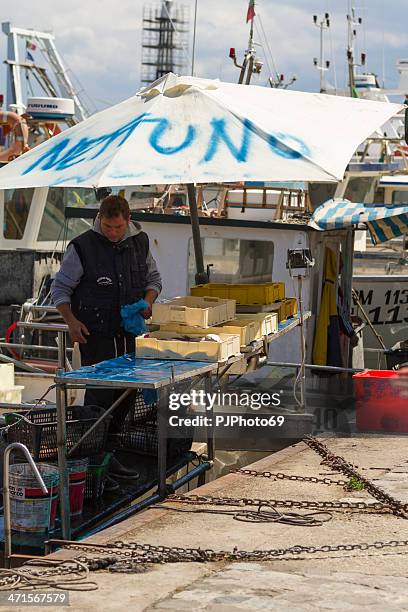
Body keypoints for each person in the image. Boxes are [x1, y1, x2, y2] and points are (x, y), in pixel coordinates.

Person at [51, 194, 162, 486]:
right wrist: (71, 322)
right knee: (99, 401)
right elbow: (60, 290)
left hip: (129, 337)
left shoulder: (140, 242)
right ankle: (90, 467)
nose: (113, 233)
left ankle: (108, 458)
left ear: (128, 222)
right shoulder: (82, 247)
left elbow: (154, 279)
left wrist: (147, 303)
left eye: (118, 228)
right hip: (96, 338)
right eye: (108, 226)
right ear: (100, 219)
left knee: (125, 398)